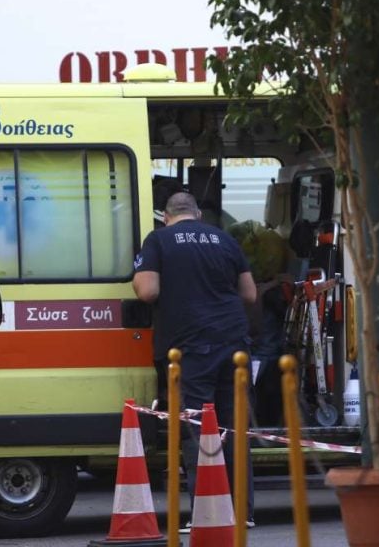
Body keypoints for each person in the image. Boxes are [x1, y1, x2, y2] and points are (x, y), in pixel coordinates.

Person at [132, 192, 257, 529]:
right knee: (234, 427)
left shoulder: (158, 240)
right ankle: (242, 512)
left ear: (166, 216)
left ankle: (209, 514)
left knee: (197, 428)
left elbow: (147, 291)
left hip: (191, 348)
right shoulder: (224, 239)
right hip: (234, 343)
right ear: (198, 214)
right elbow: (249, 294)